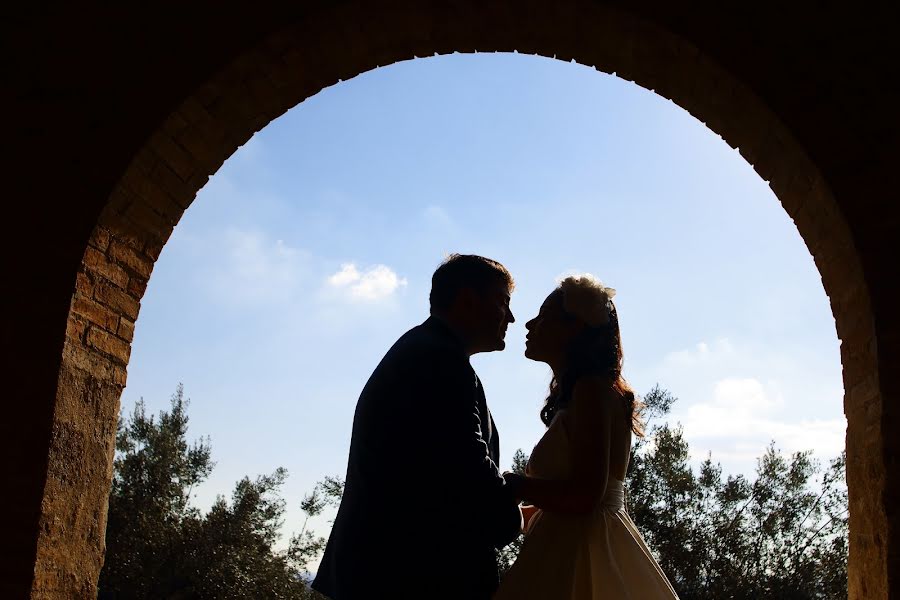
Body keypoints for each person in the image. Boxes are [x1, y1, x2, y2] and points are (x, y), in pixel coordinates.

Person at [313, 254, 523, 600]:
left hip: (383, 572)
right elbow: (468, 472)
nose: (511, 317)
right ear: (468, 300)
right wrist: (511, 512)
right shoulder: (441, 362)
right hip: (413, 576)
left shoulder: (421, 350)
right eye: (503, 302)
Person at [496, 274, 679, 599]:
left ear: (574, 328)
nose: (528, 324)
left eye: (543, 317)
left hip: (578, 553)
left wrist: (517, 485)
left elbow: (586, 495)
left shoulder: (590, 391)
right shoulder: (591, 391)